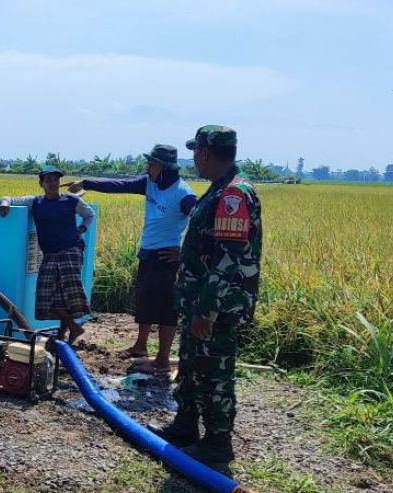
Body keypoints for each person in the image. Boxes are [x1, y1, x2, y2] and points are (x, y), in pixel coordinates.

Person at [150, 125, 262, 465]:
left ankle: (217, 442)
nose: (194, 158)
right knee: (190, 363)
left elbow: (229, 258)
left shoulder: (233, 195)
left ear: (204, 153)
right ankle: (185, 424)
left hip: (215, 305)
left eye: (195, 152)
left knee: (213, 371)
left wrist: (208, 310)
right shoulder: (218, 189)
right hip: (199, 300)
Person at [66, 144, 196, 372]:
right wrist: (86, 183)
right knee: (144, 300)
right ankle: (140, 346)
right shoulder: (150, 183)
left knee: (166, 310)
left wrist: (184, 253)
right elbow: (119, 185)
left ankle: (163, 361)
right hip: (148, 253)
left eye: (152, 164)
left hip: (167, 258)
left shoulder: (183, 195)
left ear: (165, 167)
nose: (148, 168)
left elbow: (202, 224)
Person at [0, 165, 95, 344]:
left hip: (71, 250)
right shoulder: (35, 202)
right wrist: (4, 204)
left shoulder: (71, 200)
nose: (53, 183)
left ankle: (65, 333)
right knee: (47, 296)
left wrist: (81, 229)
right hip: (50, 253)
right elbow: (8, 198)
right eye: (48, 180)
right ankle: (73, 328)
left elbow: (89, 215)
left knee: (67, 291)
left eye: (56, 180)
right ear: (41, 183)